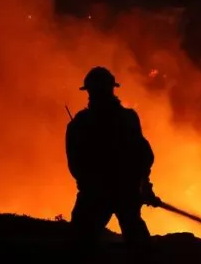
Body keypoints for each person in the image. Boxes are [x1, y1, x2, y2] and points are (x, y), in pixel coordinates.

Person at [65, 66, 162, 251]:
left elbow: (75, 165)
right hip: (121, 192)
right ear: (112, 89)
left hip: (96, 195)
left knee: (79, 245)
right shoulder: (127, 118)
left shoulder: (80, 123)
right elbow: (143, 156)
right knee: (138, 244)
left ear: (89, 92)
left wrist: (143, 185)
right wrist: (141, 185)